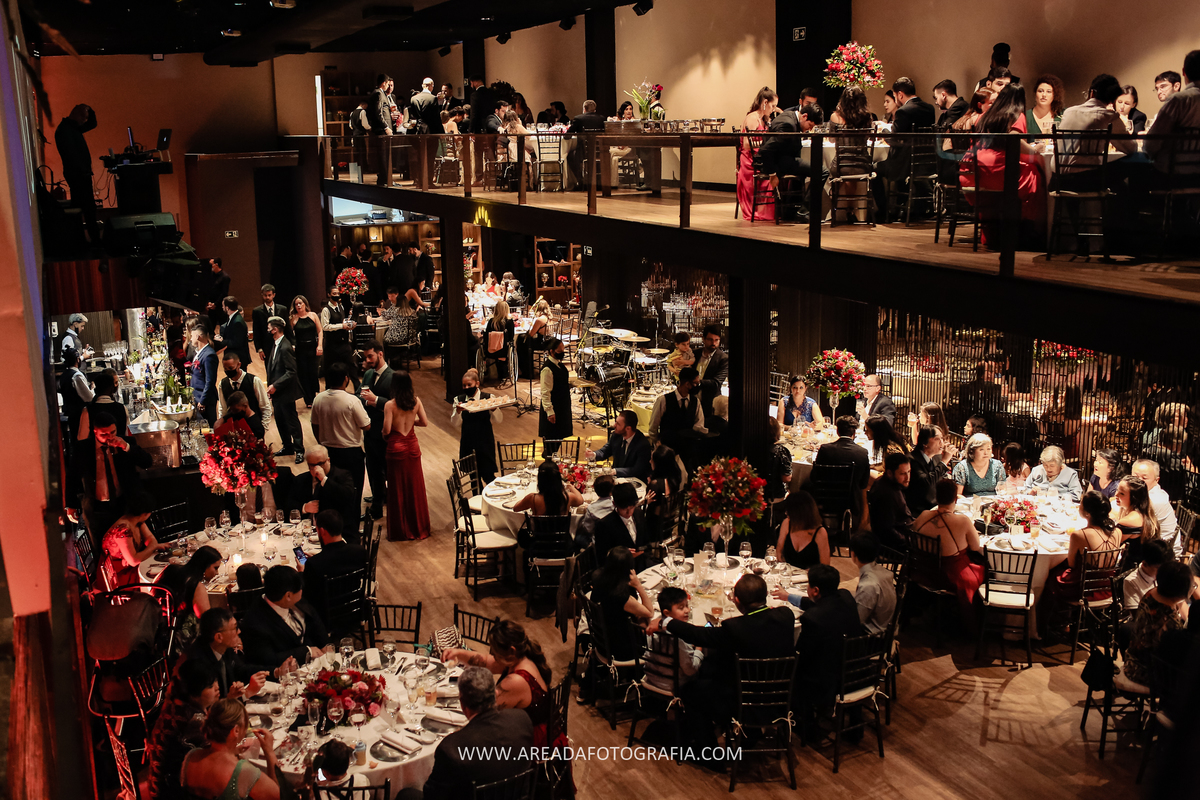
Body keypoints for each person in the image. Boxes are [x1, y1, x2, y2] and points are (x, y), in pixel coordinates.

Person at [646, 574, 795, 761]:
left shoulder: (734, 628)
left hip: (742, 703)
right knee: (710, 668)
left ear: (737, 601)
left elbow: (696, 634)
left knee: (690, 691)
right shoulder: (786, 616)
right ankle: (750, 733)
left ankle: (709, 756)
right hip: (781, 698)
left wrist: (664, 621)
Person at [396, 667, 535, 800]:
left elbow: (432, 797)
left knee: (406, 794)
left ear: (462, 704)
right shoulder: (522, 719)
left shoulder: (451, 749)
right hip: (516, 796)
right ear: (496, 695)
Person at [771, 564, 863, 742]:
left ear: (815, 590)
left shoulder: (813, 619)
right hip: (856, 668)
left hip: (830, 681)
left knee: (792, 672)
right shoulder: (845, 596)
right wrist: (789, 597)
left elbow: (801, 656)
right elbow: (820, 604)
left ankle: (807, 729)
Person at [960, 83, 1047, 246]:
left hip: (973, 167)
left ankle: (992, 235)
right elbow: (1014, 141)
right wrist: (1036, 151)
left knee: (996, 193)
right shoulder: (1016, 115)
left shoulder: (986, 114)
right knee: (1035, 174)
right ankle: (1031, 231)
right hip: (994, 167)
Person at [578, 548, 655, 704]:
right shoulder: (622, 596)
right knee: (651, 629)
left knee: (640, 621)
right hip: (621, 649)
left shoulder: (600, 581)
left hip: (602, 641)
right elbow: (649, 611)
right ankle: (649, 684)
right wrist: (639, 586)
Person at [68, 411, 152, 539]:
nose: (110, 437)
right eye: (104, 434)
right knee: (100, 548)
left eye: (112, 432)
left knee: (127, 546)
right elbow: (72, 476)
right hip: (96, 507)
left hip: (123, 504)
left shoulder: (126, 443)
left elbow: (147, 462)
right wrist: (71, 505)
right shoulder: (83, 448)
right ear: (95, 432)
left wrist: (126, 447)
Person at [912, 479, 984, 627]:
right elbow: (976, 547)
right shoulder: (963, 521)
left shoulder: (923, 515)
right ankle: (975, 621)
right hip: (948, 576)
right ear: (956, 498)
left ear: (937, 497)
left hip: (921, 570)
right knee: (984, 570)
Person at [147, 658, 221, 800]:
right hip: (170, 792)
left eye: (216, 681)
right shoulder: (194, 720)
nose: (217, 687)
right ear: (194, 694)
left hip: (161, 783)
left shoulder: (177, 703)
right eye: (210, 686)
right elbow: (217, 751)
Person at [180, 698, 280, 800]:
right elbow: (278, 795)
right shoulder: (243, 772)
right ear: (236, 730)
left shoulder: (190, 756)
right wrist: (269, 752)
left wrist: (233, 752)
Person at [178, 608, 289, 700]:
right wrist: (246, 693)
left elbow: (241, 670)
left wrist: (275, 672)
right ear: (219, 637)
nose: (239, 631)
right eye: (235, 628)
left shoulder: (223, 647)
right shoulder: (199, 663)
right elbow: (209, 709)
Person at [1043, 490, 1122, 619]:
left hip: (1084, 588)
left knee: (1050, 576)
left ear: (1087, 513)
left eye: (1080, 504)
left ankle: (1058, 622)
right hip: (1108, 586)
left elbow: (1071, 563)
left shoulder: (1079, 535)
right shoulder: (1117, 531)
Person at [1058, 74, 1141, 185]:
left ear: (1092, 93)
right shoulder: (1109, 117)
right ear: (1113, 99)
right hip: (1086, 179)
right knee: (1139, 159)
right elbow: (1131, 149)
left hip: (1057, 178)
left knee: (1118, 185)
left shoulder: (1068, 112)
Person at [241, 565, 331, 667]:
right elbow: (268, 660)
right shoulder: (255, 623)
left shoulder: (293, 598)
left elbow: (314, 619)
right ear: (288, 596)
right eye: (300, 589)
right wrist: (307, 651)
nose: (302, 590)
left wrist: (325, 644)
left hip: (316, 663)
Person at [874, 77, 936, 221]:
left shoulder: (904, 111)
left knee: (874, 170)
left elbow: (894, 139)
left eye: (895, 97)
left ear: (900, 94)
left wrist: (883, 131)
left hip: (905, 164)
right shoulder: (929, 109)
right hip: (925, 161)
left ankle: (885, 212)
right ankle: (911, 208)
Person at [1123, 562, 1192, 685]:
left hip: (1132, 660)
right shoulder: (1170, 622)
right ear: (1182, 592)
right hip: (1147, 674)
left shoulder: (1151, 594)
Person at [310, 362, 369, 502]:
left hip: (328, 453)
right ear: (346, 379)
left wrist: (321, 443)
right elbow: (366, 425)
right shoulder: (352, 401)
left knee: (330, 492)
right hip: (351, 455)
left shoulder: (318, 399)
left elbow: (314, 425)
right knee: (353, 493)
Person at [382, 370, 430, 541]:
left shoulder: (389, 405)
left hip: (396, 447)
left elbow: (387, 430)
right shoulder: (416, 402)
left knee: (397, 489)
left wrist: (384, 432)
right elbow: (424, 422)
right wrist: (412, 424)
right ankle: (418, 527)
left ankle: (400, 530)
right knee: (414, 487)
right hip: (412, 446)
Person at [757, 104, 824, 221]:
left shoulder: (789, 114)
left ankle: (792, 210)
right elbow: (766, 150)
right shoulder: (788, 125)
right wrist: (772, 174)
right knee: (822, 171)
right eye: (810, 125)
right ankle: (803, 212)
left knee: (807, 169)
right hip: (778, 162)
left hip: (783, 159)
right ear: (804, 116)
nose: (809, 129)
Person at [302, 509, 368, 627]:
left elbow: (309, 596)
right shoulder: (359, 552)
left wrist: (302, 573)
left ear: (322, 531)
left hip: (328, 619)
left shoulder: (315, 564)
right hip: (356, 609)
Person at [290, 445, 360, 543]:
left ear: (328, 460)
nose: (316, 468)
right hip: (307, 534)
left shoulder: (343, 476)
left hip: (339, 534)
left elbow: (347, 497)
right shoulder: (301, 480)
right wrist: (305, 508)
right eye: (312, 465)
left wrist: (324, 480)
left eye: (320, 464)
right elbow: (289, 503)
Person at [156, 546, 223, 648]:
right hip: (178, 637)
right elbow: (206, 618)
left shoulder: (170, 569)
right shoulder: (196, 586)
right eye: (215, 568)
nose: (217, 573)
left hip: (156, 628)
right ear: (204, 566)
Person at [356, 342, 394, 518]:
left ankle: (391, 503)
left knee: (387, 469)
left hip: (386, 431)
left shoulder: (392, 376)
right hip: (369, 430)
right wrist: (364, 400)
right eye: (366, 357)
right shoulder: (369, 374)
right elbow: (359, 395)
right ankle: (377, 505)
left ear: (380, 354)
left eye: (370, 356)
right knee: (372, 468)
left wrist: (376, 400)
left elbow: (398, 405)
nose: (367, 360)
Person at [100, 493, 166, 588]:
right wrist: (153, 547)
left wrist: (153, 546)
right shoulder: (123, 530)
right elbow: (134, 561)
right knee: (160, 578)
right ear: (145, 514)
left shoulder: (137, 521)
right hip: (118, 576)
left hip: (130, 567)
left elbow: (151, 540)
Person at [643, 587, 703, 692]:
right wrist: (699, 649)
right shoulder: (678, 638)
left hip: (651, 677)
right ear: (667, 613)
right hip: (673, 684)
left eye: (687, 606)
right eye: (681, 608)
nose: (687, 610)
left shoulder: (653, 626)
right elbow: (690, 670)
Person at [814, 415, 871, 525]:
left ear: (837, 432)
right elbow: (863, 483)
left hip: (824, 498)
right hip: (850, 500)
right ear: (854, 433)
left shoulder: (825, 449)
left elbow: (814, 477)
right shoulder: (862, 453)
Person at [55, 103, 99, 239]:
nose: (84, 121)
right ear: (77, 115)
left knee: (81, 207)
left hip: (77, 174)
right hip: (78, 175)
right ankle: (94, 240)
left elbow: (92, 124)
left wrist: (90, 110)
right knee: (88, 208)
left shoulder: (70, 128)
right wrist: (83, 171)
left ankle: (80, 238)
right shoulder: (66, 130)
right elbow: (71, 155)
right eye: (84, 118)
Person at [265, 316, 304, 462]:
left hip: (285, 391)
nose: (268, 330)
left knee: (291, 421)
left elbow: (291, 372)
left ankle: (299, 449)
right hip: (277, 392)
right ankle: (288, 446)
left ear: (275, 330)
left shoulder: (286, 346)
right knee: (280, 420)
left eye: (269, 328)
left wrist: (275, 385)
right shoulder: (276, 344)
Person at [736, 86, 779, 221]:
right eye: (772, 106)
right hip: (750, 161)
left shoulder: (764, 119)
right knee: (774, 171)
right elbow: (747, 144)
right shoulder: (753, 118)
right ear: (765, 103)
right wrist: (766, 144)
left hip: (759, 158)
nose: (773, 109)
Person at [649, 366, 707, 460]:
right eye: (696, 383)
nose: (698, 386)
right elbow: (653, 427)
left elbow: (699, 424)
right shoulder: (663, 400)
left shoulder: (696, 402)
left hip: (687, 451)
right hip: (667, 450)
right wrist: (658, 444)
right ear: (687, 384)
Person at [850, 533, 896, 635]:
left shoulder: (868, 585)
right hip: (884, 628)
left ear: (853, 554)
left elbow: (856, 621)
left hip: (872, 638)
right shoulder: (884, 572)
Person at [1132, 459, 1180, 554]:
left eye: (1144, 478)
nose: (1138, 481)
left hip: (1163, 551)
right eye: (1135, 476)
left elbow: (1133, 522)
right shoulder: (1145, 493)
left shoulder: (1155, 499)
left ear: (1156, 480)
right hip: (1150, 541)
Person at [586, 409, 651, 480]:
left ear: (628, 428)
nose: (614, 425)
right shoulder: (616, 436)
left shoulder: (643, 445)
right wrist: (593, 455)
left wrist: (616, 471)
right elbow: (605, 451)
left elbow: (637, 470)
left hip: (634, 481)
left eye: (618, 424)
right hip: (617, 479)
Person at [217, 351, 270, 436]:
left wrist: (263, 428)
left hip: (253, 428)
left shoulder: (254, 381)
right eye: (225, 369)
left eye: (231, 368)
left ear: (239, 365)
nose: (228, 371)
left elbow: (265, 407)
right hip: (233, 431)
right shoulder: (222, 384)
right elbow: (222, 409)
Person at [869, 452, 914, 552]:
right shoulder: (887, 494)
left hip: (903, 535)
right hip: (893, 547)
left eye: (909, 472)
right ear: (889, 473)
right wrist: (911, 542)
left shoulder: (890, 485)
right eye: (902, 474)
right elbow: (887, 530)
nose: (907, 478)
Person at [1114, 475, 1161, 570]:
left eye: (1122, 493)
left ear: (1134, 498)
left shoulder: (1129, 521)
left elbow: (1110, 545)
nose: (1116, 494)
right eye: (1117, 490)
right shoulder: (1145, 514)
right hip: (1145, 567)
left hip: (1130, 571)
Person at [775, 490, 830, 569]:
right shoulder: (787, 523)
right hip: (788, 576)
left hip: (810, 578)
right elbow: (779, 551)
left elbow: (825, 567)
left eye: (789, 511)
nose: (786, 514)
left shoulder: (820, 532)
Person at [538, 337, 572, 456]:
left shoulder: (559, 365)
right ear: (552, 351)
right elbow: (545, 392)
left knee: (559, 437)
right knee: (552, 440)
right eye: (560, 351)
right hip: (553, 409)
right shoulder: (547, 369)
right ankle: (548, 462)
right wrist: (549, 411)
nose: (562, 353)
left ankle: (552, 458)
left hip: (561, 407)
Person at [320, 287, 358, 390]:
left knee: (352, 367)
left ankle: (359, 391)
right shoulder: (326, 310)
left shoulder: (341, 307)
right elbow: (325, 327)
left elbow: (343, 322)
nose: (336, 295)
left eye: (337, 293)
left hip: (344, 344)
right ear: (329, 295)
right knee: (330, 370)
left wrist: (349, 326)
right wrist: (341, 326)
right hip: (332, 346)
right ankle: (328, 392)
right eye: (334, 293)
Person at [594, 483, 646, 555]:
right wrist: (622, 555)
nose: (629, 512)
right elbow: (602, 554)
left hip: (642, 562)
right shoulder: (604, 524)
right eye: (624, 509)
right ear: (614, 504)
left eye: (631, 508)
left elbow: (645, 541)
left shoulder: (638, 513)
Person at [1123, 538, 1175, 611]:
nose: (1164, 571)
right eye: (1159, 568)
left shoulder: (1167, 572)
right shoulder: (1131, 582)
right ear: (1145, 564)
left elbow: (1181, 603)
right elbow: (1137, 616)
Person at [76, 368, 129, 440]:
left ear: (95, 390)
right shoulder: (122, 408)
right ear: (112, 389)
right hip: (119, 449)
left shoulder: (87, 411)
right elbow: (127, 436)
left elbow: (82, 440)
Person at [289, 295, 322, 407]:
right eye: (296, 304)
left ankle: (314, 395)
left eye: (300, 303)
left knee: (313, 372)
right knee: (303, 373)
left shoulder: (313, 315)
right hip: (300, 349)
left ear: (305, 304)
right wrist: (292, 345)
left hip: (312, 347)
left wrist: (320, 345)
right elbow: (290, 334)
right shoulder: (293, 318)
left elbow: (320, 331)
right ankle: (308, 399)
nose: (298, 305)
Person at [566, 100, 607, 188]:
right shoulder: (602, 119)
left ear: (584, 109)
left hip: (583, 153)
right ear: (595, 110)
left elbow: (567, 136)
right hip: (600, 151)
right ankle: (599, 182)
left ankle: (580, 181)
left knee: (569, 156)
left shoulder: (579, 119)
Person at [908, 424, 949, 513]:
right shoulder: (912, 460)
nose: (941, 442)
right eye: (937, 439)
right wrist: (944, 462)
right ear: (924, 443)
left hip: (937, 507)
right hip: (919, 510)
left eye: (942, 438)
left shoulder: (937, 457)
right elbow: (926, 483)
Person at [694, 325, 729, 427]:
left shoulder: (723, 358)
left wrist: (696, 381)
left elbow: (716, 383)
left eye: (716, 340)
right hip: (692, 400)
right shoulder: (694, 354)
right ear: (703, 339)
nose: (713, 343)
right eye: (710, 339)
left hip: (710, 403)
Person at [188, 319, 219, 426]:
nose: (190, 339)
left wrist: (203, 401)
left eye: (192, 336)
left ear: (198, 337)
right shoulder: (200, 353)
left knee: (208, 427)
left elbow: (210, 381)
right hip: (197, 397)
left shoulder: (209, 355)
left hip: (204, 400)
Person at [58, 348, 94, 442]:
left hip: (71, 413)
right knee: (83, 441)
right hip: (80, 414)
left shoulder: (64, 374)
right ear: (77, 360)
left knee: (76, 440)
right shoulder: (77, 375)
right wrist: (93, 389)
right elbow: (89, 398)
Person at [576, 474, 617, 550]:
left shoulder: (591, 508)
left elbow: (588, 529)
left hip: (597, 543)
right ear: (612, 491)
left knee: (578, 537)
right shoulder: (616, 504)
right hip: (614, 540)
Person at [252, 285, 290, 364]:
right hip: (267, 345)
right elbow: (256, 331)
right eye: (265, 295)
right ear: (262, 295)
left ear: (274, 295)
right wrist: (259, 349)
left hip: (282, 343)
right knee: (269, 368)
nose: (267, 297)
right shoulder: (257, 311)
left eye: (269, 295)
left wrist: (292, 343)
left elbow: (288, 328)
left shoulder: (283, 309)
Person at [483, 299, 515, 381]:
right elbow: (511, 337)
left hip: (490, 349)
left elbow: (487, 335)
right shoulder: (509, 322)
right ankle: (505, 373)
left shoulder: (491, 322)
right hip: (503, 350)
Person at [764, 418, 793, 507]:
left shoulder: (753, 447)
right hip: (775, 495)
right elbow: (786, 478)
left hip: (756, 492)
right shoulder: (781, 451)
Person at [217, 297, 251, 369]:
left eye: (223, 305)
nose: (222, 307)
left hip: (238, 359)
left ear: (227, 308)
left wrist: (222, 341)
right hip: (235, 358)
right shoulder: (233, 318)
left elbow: (237, 342)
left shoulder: (237, 321)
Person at [205, 259, 231, 328]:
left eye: (211, 264)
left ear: (216, 265)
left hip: (220, 306)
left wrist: (215, 304)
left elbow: (224, 293)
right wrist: (208, 302)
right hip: (211, 306)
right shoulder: (210, 276)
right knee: (210, 327)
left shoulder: (225, 277)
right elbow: (207, 289)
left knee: (223, 326)